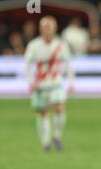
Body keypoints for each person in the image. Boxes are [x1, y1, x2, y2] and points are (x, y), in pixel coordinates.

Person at [24, 16, 74, 151]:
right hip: (40, 85)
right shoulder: (34, 45)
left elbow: (68, 64)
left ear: (55, 29)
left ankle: (57, 137)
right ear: (40, 29)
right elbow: (26, 65)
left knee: (59, 107)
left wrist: (71, 82)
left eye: (50, 27)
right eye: (45, 27)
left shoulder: (61, 45)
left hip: (56, 83)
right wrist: (31, 82)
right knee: (43, 112)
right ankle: (45, 142)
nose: (48, 30)